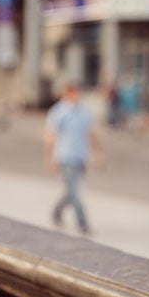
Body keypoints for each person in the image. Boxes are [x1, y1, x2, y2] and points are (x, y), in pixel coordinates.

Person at [45, 81, 100, 234]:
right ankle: (83, 223)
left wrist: (97, 154)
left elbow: (91, 134)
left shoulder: (84, 112)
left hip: (80, 156)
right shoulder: (59, 112)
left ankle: (57, 211)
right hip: (65, 156)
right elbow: (51, 136)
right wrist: (49, 157)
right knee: (75, 192)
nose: (77, 96)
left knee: (70, 192)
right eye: (74, 92)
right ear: (67, 94)